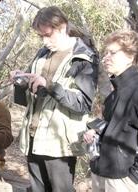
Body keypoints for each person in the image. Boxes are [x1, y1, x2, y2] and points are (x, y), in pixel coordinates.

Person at [10, 6, 98, 192]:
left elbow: (83, 104)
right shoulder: (42, 54)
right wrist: (21, 82)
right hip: (34, 135)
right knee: (37, 189)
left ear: (63, 27)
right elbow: (31, 98)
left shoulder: (82, 57)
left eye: (48, 35)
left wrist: (50, 86)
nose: (45, 41)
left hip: (59, 143)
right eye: (41, 36)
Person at [83, 30, 138, 192]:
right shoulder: (115, 91)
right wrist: (96, 131)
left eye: (112, 53)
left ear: (130, 56)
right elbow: (115, 127)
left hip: (122, 180)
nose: (106, 57)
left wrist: (135, 175)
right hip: (100, 173)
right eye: (106, 53)